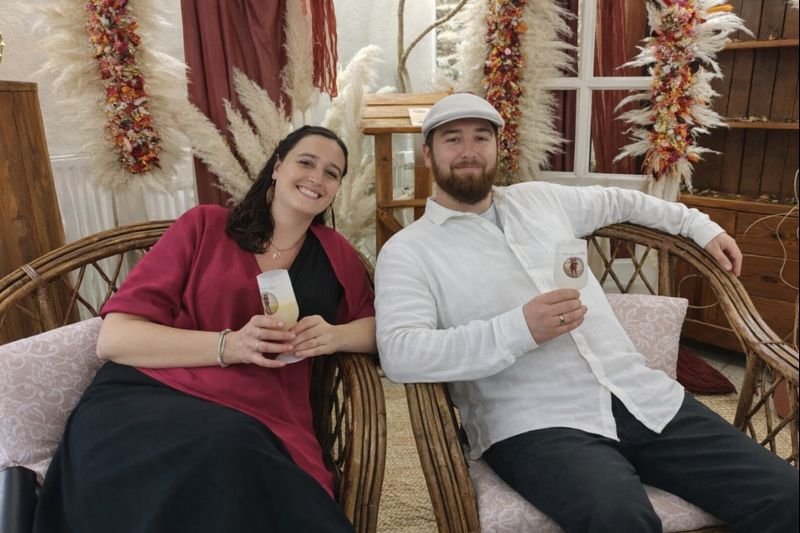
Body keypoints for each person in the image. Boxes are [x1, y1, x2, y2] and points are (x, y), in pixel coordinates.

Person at [375, 93, 798, 533]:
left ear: (498, 147)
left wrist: (698, 226)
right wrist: (519, 328)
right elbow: (402, 352)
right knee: (618, 520)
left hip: (642, 396)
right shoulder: (409, 251)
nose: (468, 151)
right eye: (452, 139)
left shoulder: (540, 201)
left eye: (481, 138)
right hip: (534, 421)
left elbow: (625, 202)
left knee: (787, 497)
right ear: (428, 153)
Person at [33, 125, 376, 533]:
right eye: (306, 162)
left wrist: (336, 336)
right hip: (149, 395)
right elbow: (114, 339)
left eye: (332, 173)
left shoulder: (337, 254)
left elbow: (380, 330)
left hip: (266, 415)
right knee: (219, 454)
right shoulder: (203, 226)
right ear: (278, 167)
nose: (317, 178)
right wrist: (230, 346)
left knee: (236, 454)